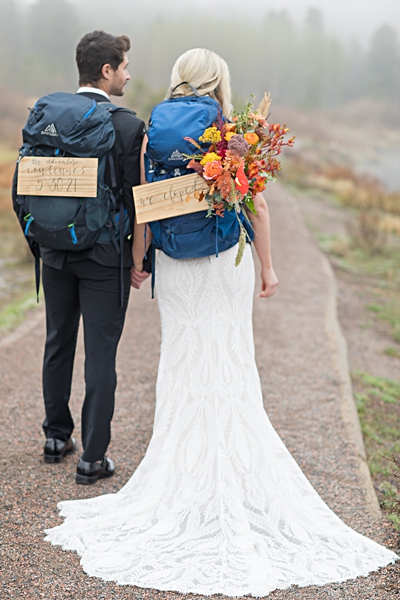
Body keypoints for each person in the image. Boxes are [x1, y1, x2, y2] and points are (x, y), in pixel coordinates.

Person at [44, 49, 397, 596]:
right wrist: (269, 266)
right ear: (218, 82)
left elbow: (146, 205)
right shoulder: (231, 131)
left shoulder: (153, 127)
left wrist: (139, 260)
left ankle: (182, 476)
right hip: (221, 265)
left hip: (176, 270)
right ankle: (232, 472)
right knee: (230, 361)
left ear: (178, 79)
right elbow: (257, 209)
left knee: (182, 361)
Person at [40, 31, 150, 484]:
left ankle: (54, 437)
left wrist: (42, 243)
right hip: (105, 256)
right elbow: (139, 202)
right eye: (123, 66)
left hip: (53, 251)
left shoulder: (48, 113)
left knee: (57, 341)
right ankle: (92, 459)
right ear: (106, 70)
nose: (127, 74)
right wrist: (139, 260)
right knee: (100, 356)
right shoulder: (127, 125)